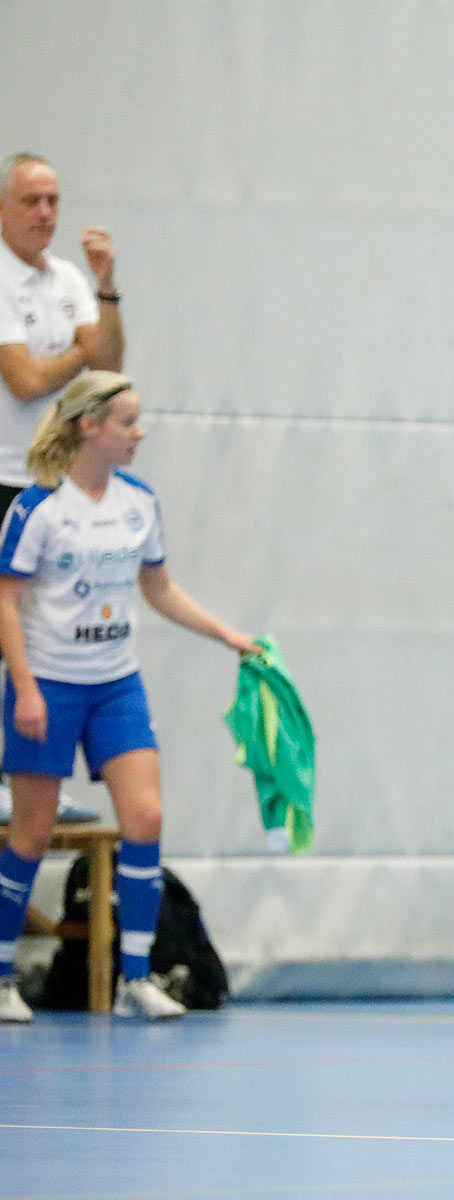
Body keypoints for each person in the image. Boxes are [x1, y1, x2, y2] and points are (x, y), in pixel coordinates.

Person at [0, 371, 256, 1024]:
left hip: (116, 685)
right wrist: (25, 687)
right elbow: (7, 601)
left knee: (145, 821)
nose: (139, 432)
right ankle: (3, 976)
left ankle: (136, 978)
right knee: (29, 835)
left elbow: (160, 589)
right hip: (48, 687)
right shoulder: (38, 507)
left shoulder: (139, 502)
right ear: (90, 427)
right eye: (128, 422)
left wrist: (228, 634)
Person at [0, 152, 126, 826]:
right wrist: (85, 351)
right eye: (30, 201)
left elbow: (108, 373)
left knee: (48, 630)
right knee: (5, 624)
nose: (45, 214)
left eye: (53, 200)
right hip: (4, 475)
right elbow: (25, 380)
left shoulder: (71, 278)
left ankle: (33, 779)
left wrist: (104, 290)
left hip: (54, 479)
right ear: (3, 208)